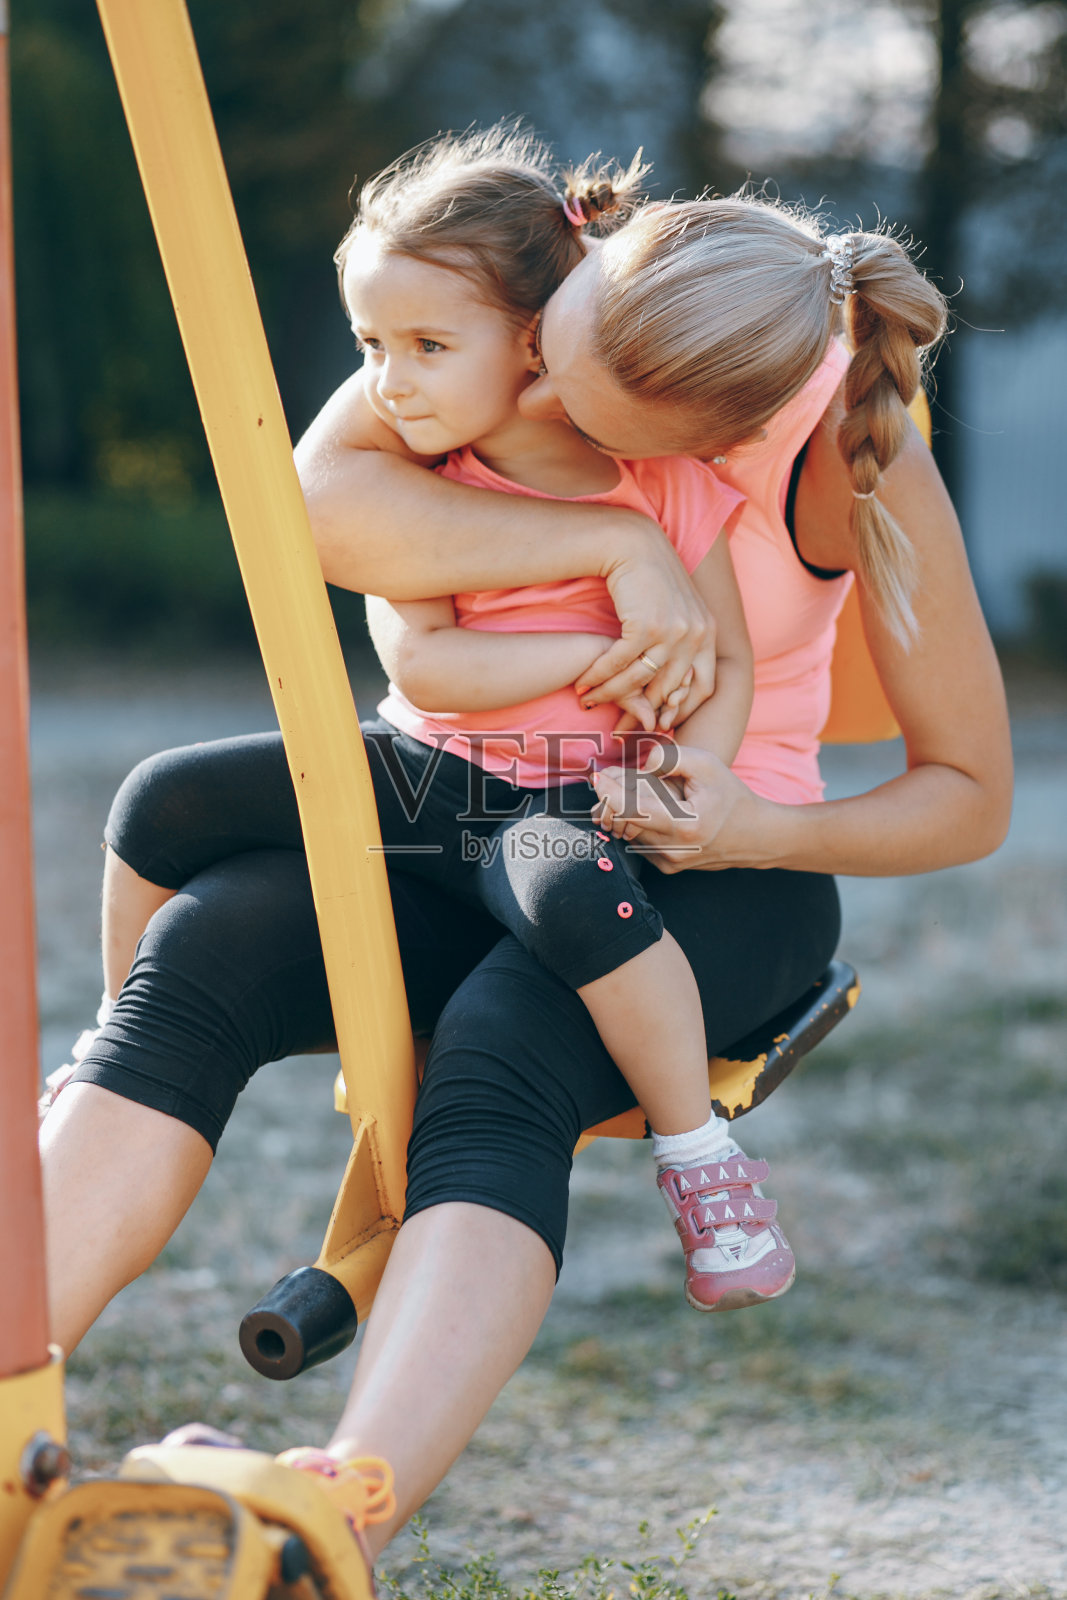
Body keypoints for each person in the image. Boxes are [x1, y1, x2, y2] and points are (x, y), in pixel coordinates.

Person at [39, 125, 1012, 1574]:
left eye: (590, 410)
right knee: (214, 938)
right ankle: (8, 1364)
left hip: (706, 865)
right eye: (548, 356)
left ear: (703, 434)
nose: (544, 403)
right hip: (470, 802)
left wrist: (752, 818)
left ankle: (341, 1507)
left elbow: (969, 795)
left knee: (507, 1039)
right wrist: (607, 556)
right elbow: (318, 502)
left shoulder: (829, 437)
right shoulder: (525, 308)